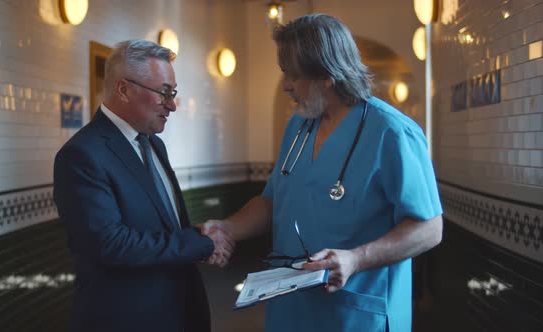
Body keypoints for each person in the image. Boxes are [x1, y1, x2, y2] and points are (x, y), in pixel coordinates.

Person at [201, 14, 443, 332]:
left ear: (327, 76)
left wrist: (356, 258)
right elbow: (272, 201)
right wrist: (227, 227)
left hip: (355, 312)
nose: (286, 85)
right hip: (291, 309)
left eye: (293, 75)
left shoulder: (392, 133)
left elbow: (430, 229)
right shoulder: (298, 127)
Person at [53, 39, 233, 332]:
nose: (172, 105)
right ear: (124, 89)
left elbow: (157, 225)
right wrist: (200, 244)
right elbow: (111, 245)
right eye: (164, 92)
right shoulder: (81, 155)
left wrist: (196, 233)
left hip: (178, 311)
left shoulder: (154, 144)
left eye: (172, 93)